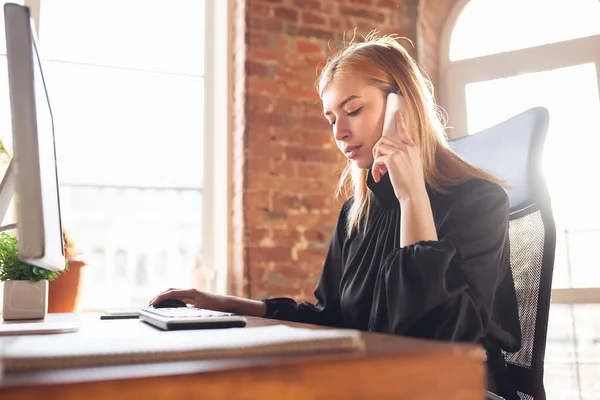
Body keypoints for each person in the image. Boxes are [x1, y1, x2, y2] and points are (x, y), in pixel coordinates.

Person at [150, 33, 520, 398]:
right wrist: (227, 305)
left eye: (354, 110)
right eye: (331, 119)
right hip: (375, 384)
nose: (340, 132)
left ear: (403, 108)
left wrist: (412, 197)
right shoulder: (355, 216)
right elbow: (330, 317)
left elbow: (433, 343)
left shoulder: (479, 202)